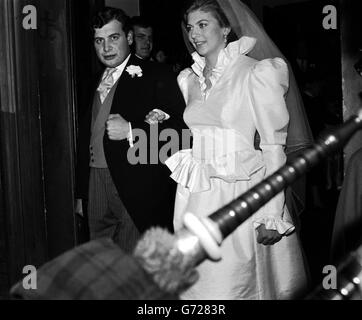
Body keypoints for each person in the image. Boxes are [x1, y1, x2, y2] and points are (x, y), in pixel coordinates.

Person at [154, 0, 311, 299]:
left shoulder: (256, 72)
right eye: (190, 27)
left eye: (203, 25)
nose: (194, 34)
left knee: (233, 285)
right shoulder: (187, 79)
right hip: (196, 196)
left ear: (225, 28)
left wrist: (272, 214)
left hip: (238, 190)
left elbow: (273, 148)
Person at [75, 7, 186, 253]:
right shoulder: (91, 81)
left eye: (113, 38)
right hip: (96, 184)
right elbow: (85, 139)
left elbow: (182, 133)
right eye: (99, 41)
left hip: (138, 188)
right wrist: (82, 193)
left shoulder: (158, 74)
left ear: (128, 38)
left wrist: (131, 131)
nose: (106, 48)